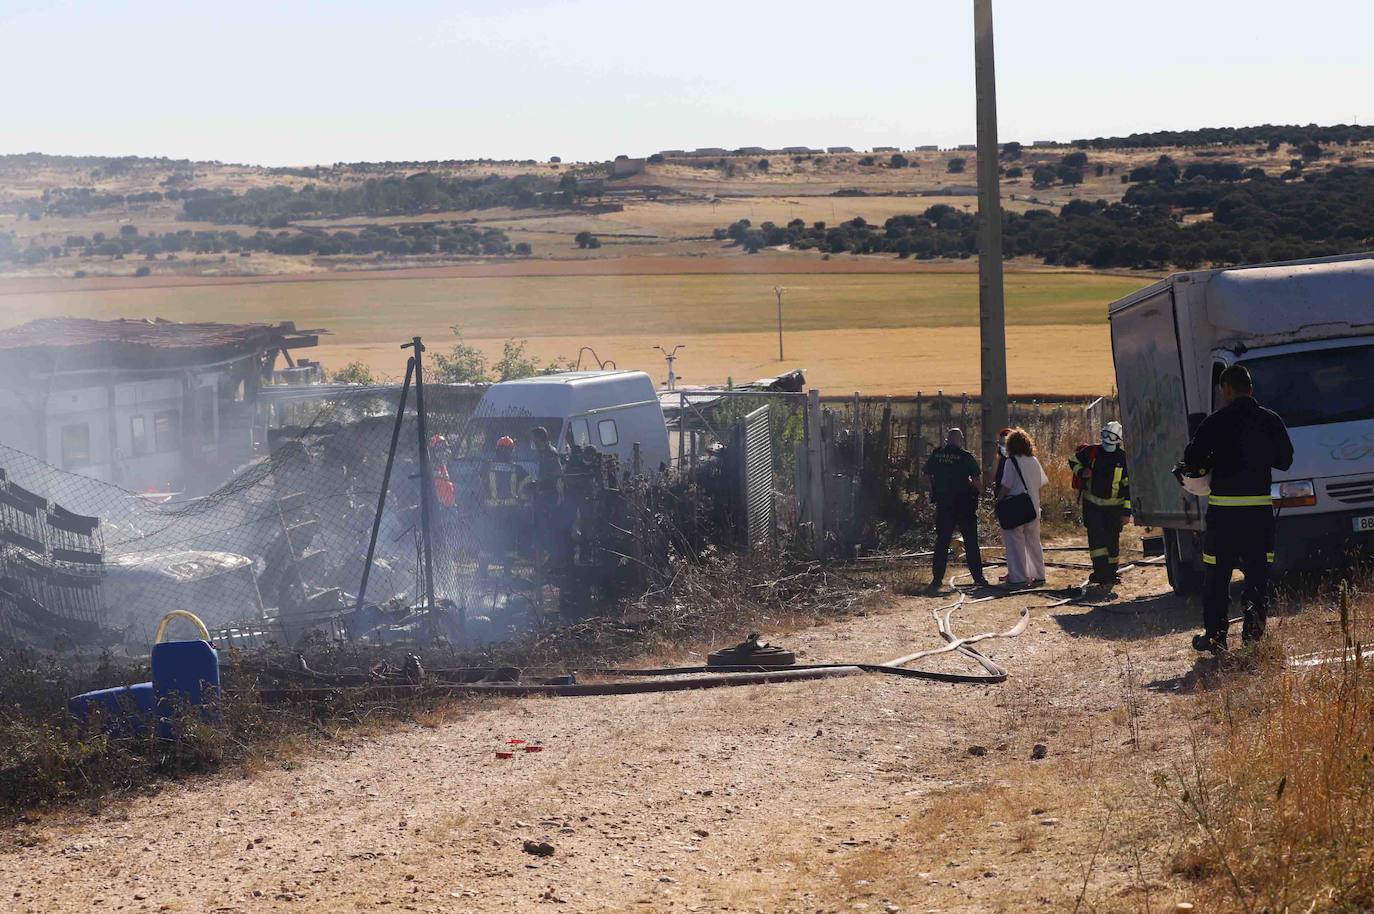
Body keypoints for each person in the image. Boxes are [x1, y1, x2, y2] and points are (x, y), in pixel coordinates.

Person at [1182, 364, 1294, 654]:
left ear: (1226, 390)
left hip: (1223, 517)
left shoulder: (1215, 422)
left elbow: (1191, 460)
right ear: (1251, 389)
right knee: (1257, 577)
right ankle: (1252, 640)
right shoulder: (1270, 420)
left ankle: (1217, 638)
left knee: (1217, 579)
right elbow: (1285, 460)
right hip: (1258, 515)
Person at [922, 428, 989, 591]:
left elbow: (925, 475)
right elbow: (976, 480)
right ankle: (978, 578)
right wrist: (980, 493)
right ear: (960, 440)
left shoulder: (937, 455)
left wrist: (933, 491)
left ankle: (937, 580)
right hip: (964, 504)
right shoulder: (965, 456)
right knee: (971, 542)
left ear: (947, 440)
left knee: (942, 542)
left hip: (944, 504)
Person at [1069, 421, 1131, 586]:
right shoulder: (1092, 452)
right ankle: (1100, 572)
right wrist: (1082, 472)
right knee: (1096, 541)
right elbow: (1073, 460)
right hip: (1093, 507)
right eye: (1105, 435)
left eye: (1110, 436)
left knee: (1112, 541)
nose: (1107, 439)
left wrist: (1126, 513)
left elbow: (1128, 488)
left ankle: (1111, 573)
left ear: (1118, 439)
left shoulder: (1123, 458)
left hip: (1114, 509)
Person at [997, 428, 1049, 586]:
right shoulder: (1034, 460)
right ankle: (1038, 575)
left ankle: (1018, 577)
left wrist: (998, 501)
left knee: (1015, 543)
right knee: (1034, 542)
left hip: (1015, 507)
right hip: (1033, 506)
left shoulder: (1011, 462)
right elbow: (1041, 482)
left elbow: (1006, 486)